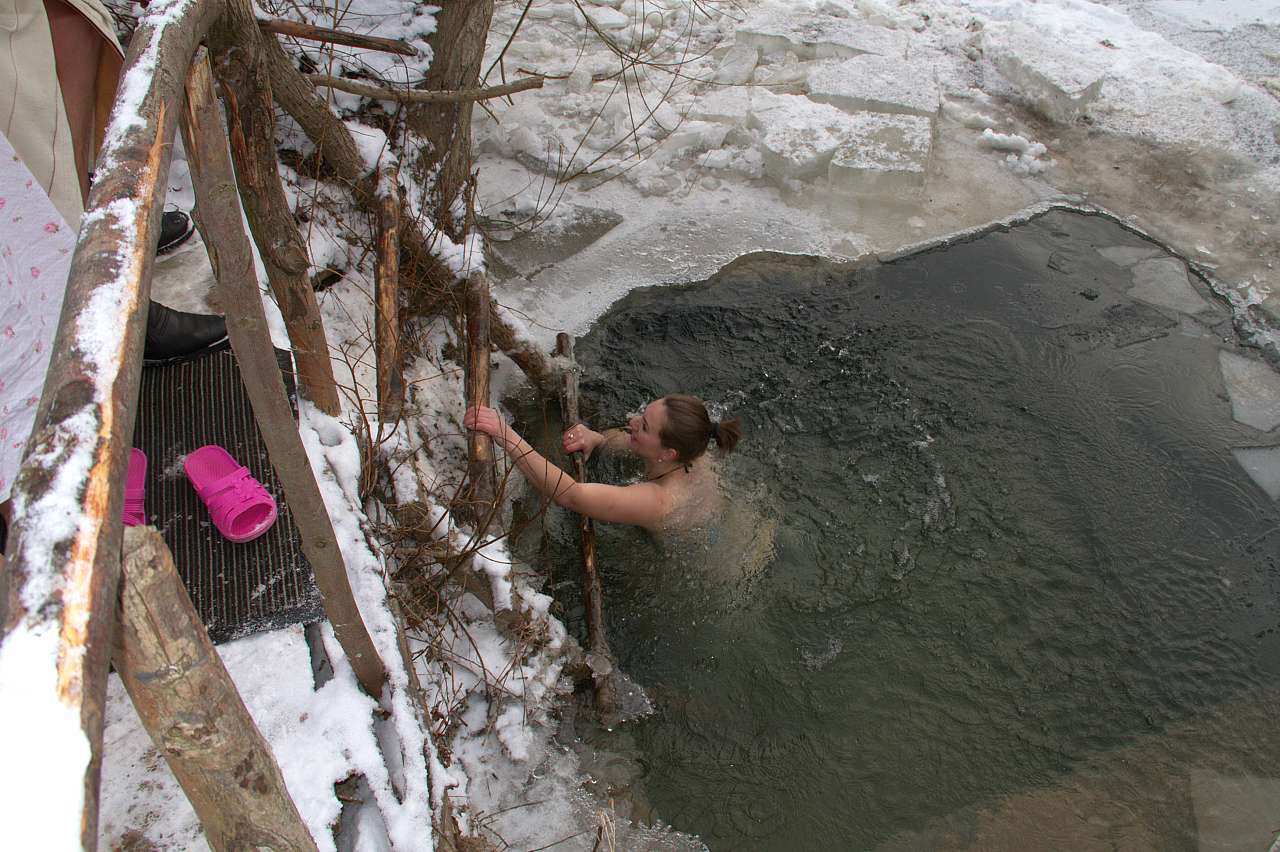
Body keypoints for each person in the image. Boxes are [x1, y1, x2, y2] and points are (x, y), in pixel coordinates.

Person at [464, 394, 741, 531]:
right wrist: (597, 439)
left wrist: (505, 434)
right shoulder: (692, 442)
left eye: (644, 426)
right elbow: (627, 439)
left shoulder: (660, 501)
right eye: (643, 415)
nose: (633, 422)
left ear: (668, 454)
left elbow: (571, 495)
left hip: (707, 562)